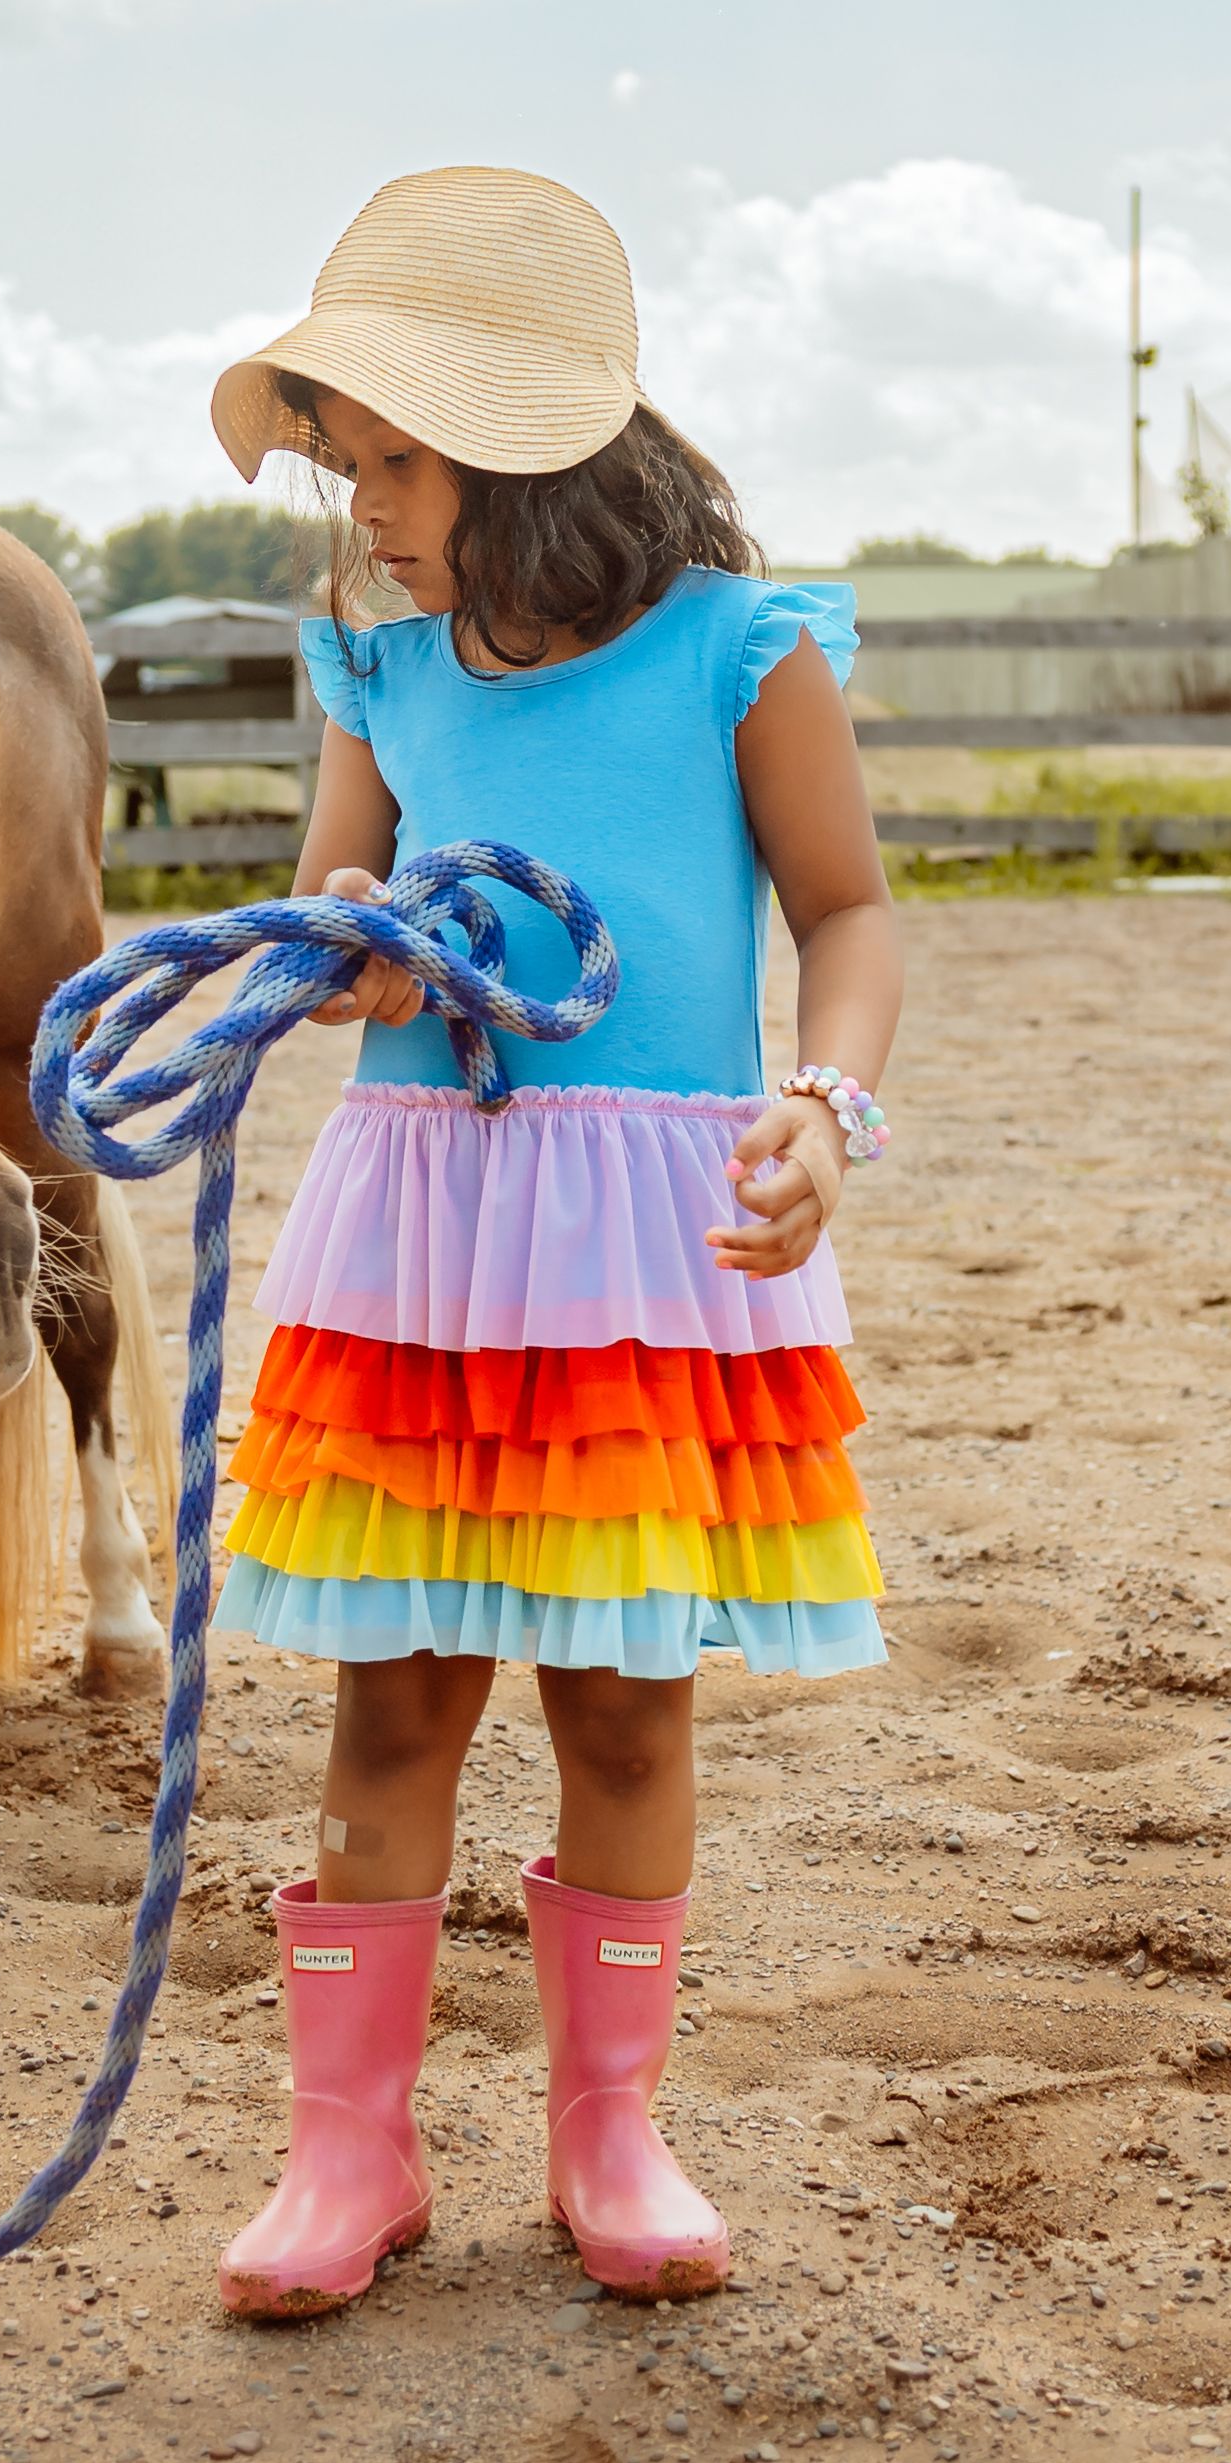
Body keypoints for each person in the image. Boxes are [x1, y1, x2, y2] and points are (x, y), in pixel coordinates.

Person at [201, 164, 901, 2316]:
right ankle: (351, 2152)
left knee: (620, 1710)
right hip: (429, 1223)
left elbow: (845, 914)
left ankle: (609, 2126)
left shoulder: (729, 650)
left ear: (519, 446)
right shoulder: (375, 666)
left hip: (644, 1232)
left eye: (392, 459)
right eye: (345, 456)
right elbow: (341, 905)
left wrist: (824, 1107)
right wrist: (363, 965)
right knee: (389, 1705)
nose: (366, 502)